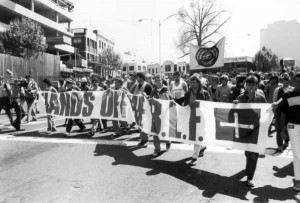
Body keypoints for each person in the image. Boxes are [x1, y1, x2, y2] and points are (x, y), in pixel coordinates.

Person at [234, 75, 267, 187]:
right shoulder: (240, 98)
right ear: (245, 85)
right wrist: (234, 105)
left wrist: (273, 107)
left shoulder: (261, 98)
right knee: (248, 153)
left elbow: (266, 111)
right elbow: (233, 113)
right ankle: (249, 167)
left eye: (253, 85)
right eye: (249, 85)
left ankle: (250, 177)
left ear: (257, 85)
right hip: (244, 130)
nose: (251, 87)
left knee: (253, 154)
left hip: (256, 130)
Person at [277, 72, 300, 192]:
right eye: (297, 81)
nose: (299, 83)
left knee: (297, 155)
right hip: (292, 127)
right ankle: (298, 182)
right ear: (293, 81)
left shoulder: (288, 94)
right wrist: (282, 129)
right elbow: (283, 113)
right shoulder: (287, 95)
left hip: (293, 127)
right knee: (297, 155)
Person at [183, 74, 210, 166]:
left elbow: (209, 105)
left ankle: (194, 157)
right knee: (194, 136)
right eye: (191, 82)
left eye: (194, 82)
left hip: (201, 118)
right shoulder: (187, 93)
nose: (192, 84)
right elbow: (185, 106)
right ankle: (201, 147)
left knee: (197, 136)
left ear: (198, 83)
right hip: (191, 117)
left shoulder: (205, 93)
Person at [149, 74, 172, 157]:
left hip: (164, 114)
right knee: (155, 132)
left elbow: (168, 100)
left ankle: (168, 141)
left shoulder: (166, 89)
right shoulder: (153, 90)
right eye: (156, 80)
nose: (157, 81)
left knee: (164, 131)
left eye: (159, 79)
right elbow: (150, 100)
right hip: (156, 114)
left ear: (162, 80)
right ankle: (157, 149)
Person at [273, 73, 293, 152]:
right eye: (284, 80)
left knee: (288, 129)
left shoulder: (292, 89)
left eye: (287, 79)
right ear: (282, 80)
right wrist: (274, 112)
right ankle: (279, 145)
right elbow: (274, 100)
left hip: (289, 113)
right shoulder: (277, 90)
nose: (286, 81)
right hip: (279, 112)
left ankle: (287, 141)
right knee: (279, 128)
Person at [134, 72, 153, 147]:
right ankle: (143, 137)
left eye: (137, 77)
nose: (136, 78)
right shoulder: (137, 85)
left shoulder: (147, 86)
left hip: (145, 108)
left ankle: (144, 139)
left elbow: (150, 97)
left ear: (141, 78)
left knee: (144, 123)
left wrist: (146, 96)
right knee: (139, 124)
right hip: (138, 107)